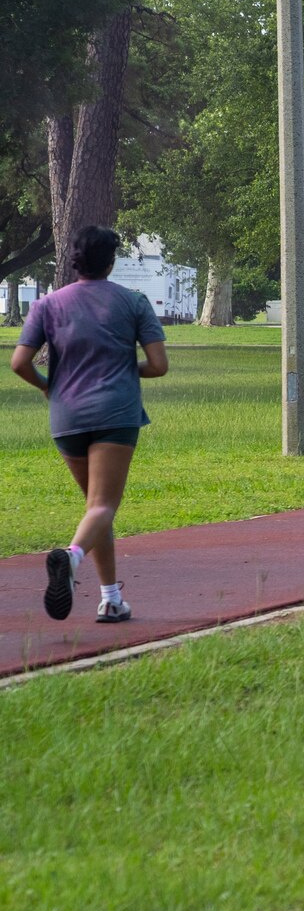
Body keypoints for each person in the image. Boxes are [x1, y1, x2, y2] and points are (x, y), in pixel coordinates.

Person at [12, 224, 168, 622]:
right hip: (115, 413)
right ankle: (71, 556)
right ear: (111, 262)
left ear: (74, 260)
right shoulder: (134, 302)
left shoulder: (46, 305)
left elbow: (19, 363)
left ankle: (111, 599)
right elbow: (158, 366)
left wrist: (48, 387)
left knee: (96, 510)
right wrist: (122, 366)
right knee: (103, 506)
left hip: (67, 415)